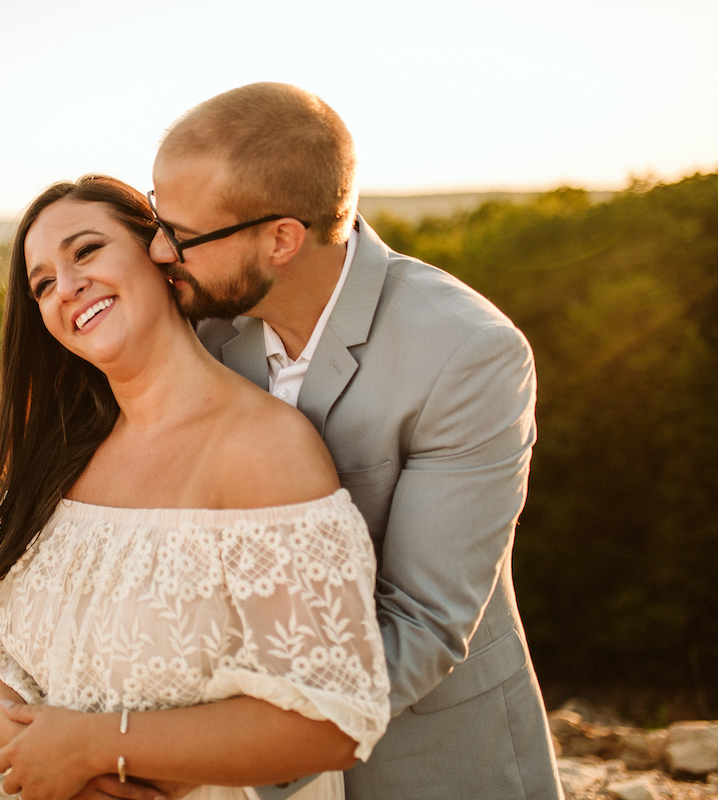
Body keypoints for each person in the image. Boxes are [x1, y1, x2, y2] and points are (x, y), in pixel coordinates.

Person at [147, 82, 562, 799]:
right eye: (157, 216)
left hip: (431, 761)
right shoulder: (202, 328)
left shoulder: (468, 353)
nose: (157, 250)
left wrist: (224, 754)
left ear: (281, 238)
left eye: (180, 234)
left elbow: (423, 621)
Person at [0, 175, 391, 800]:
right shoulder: (52, 458)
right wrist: (45, 763)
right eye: (43, 283)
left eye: (86, 252)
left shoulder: (263, 449)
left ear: (162, 256)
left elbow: (328, 721)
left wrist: (95, 749)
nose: (67, 288)